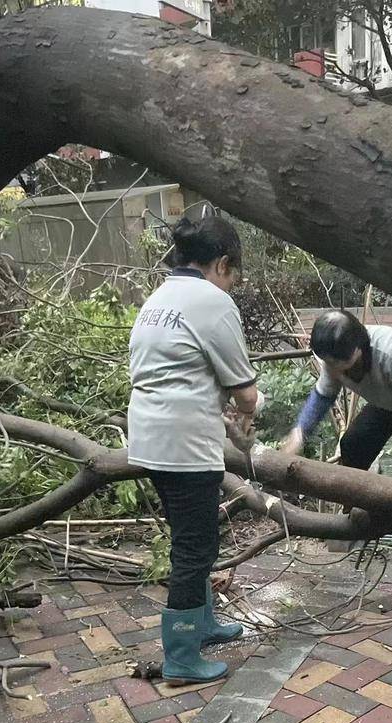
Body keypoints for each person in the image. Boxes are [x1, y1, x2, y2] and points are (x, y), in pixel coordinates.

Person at [127, 216, 257, 683]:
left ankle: (201, 625)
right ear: (222, 263)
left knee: (194, 538)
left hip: (151, 436)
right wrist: (248, 415)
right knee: (193, 548)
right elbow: (244, 390)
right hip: (184, 444)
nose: (233, 283)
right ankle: (181, 656)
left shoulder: (159, 298)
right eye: (234, 273)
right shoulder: (211, 300)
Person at [282, 310, 392, 572]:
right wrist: (299, 432)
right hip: (391, 400)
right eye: (327, 361)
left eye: (335, 362)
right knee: (354, 444)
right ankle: (356, 518)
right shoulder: (333, 356)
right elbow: (322, 396)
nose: (330, 367)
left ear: (357, 350)